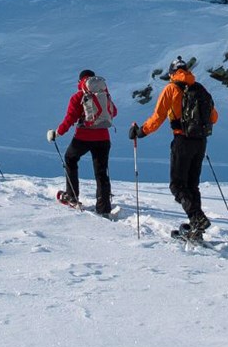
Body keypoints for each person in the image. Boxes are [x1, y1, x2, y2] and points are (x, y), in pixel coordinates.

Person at [128, 57, 218, 239]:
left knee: (177, 185)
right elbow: (214, 117)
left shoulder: (171, 88)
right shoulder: (199, 88)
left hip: (182, 140)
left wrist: (140, 132)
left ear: (171, 73)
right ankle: (196, 228)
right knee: (192, 185)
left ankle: (197, 218)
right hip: (200, 142)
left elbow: (158, 117)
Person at [49, 70, 117, 215]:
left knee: (70, 158)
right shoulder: (104, 94)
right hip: (104, 138)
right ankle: (104, 206)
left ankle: (72, 196)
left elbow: (70, 119)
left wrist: (57, 133)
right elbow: (114, 112)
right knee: (101, 172)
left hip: (83, 138)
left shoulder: (78, 96)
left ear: (80, 81)